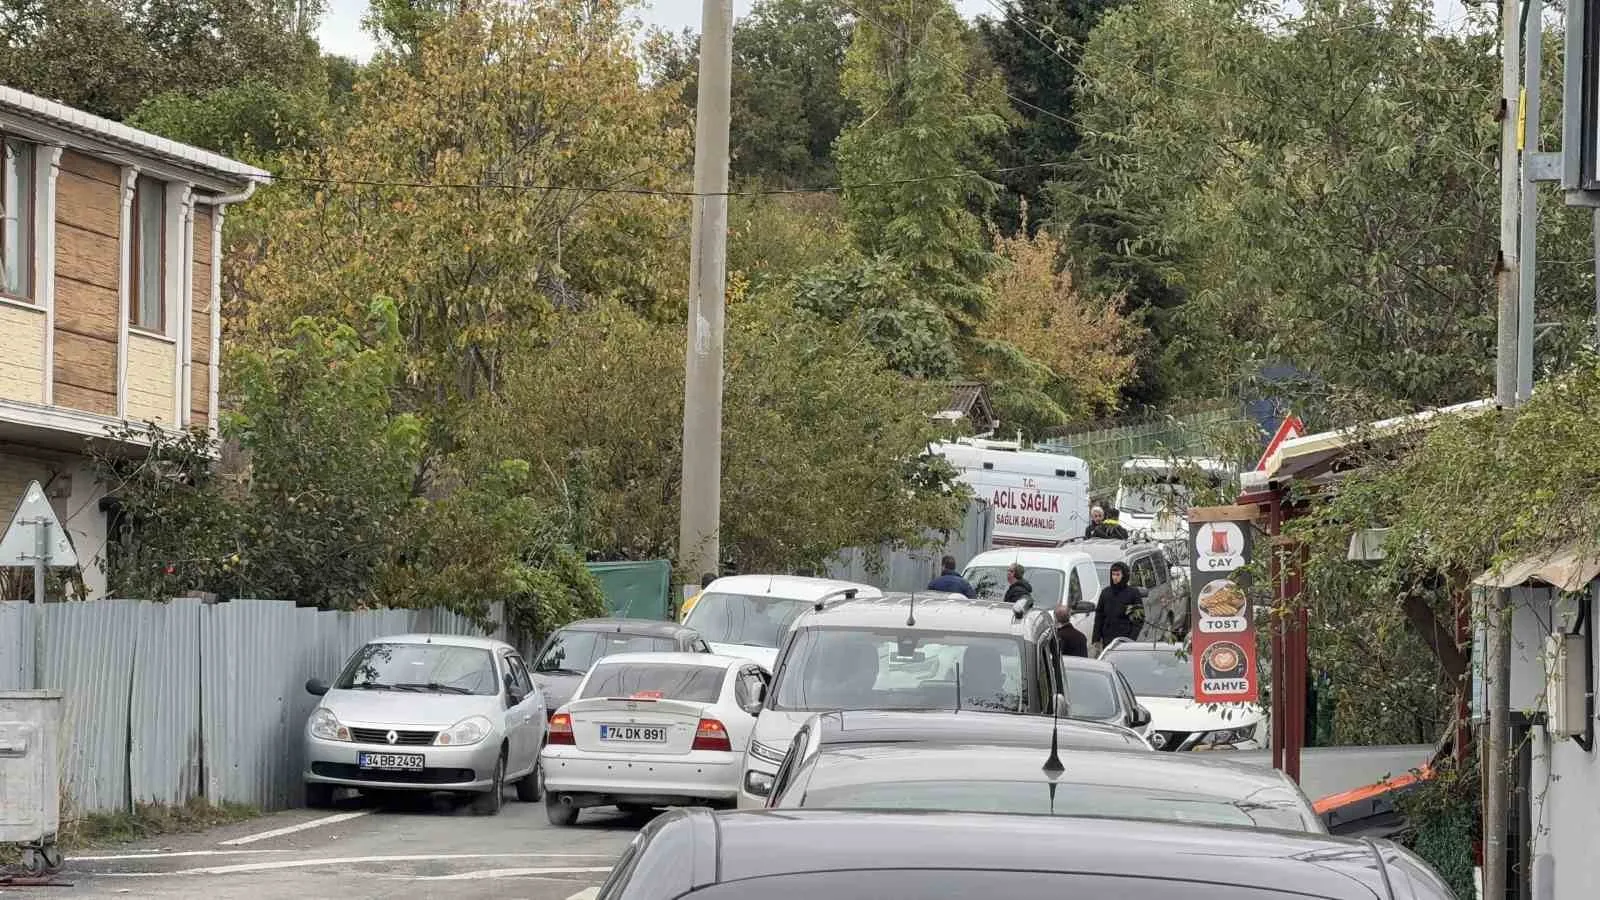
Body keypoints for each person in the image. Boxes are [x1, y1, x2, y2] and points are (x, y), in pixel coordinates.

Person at [1091, 561, 1144, 649]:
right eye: (1113, 574)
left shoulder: (1133, 593)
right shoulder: (1106, 593)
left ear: (1124, 575)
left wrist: (1131, 639)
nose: (1115, 577)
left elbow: (1139, 619)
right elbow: (1099, 616)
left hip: (1125, 638)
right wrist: (1096, 638)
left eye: (1118, 575)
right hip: (1108, 638)